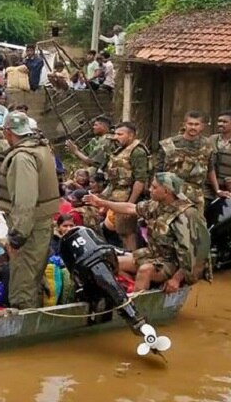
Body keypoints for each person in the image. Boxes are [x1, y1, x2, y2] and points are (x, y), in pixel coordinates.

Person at [85, 172, 209, 292]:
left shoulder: (187, 215)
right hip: (152, 255)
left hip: (173, 263)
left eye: (154, 187)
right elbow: (130, 207)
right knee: (110, 263)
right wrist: (102, 202)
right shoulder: (155, 205)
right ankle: (128, 291)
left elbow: (196, 254)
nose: (149, 189)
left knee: (145, 271)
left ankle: (138, 309)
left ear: (166, 191)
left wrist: (176, 279)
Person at [0, 112, 60, 309]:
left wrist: (17, 238)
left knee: (22, 283)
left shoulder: (23, 157)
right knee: (33, 276)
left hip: (29, 228)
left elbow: (25, 201)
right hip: (40, 223)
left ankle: (23, 327)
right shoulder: (40, 148)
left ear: (8, 133)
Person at [102, 122, 150, 250]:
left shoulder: (137, 152)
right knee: (121, 231)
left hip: (127, 198)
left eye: (120, 134)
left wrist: (130, 204)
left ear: (131, 135)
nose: (116, 137)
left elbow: (140, 180)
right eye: (115, 134)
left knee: (128, 233)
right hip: (117, 196)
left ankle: (132, 258)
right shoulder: (120, 150)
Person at [157, 111, 217, 211]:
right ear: (184, 124)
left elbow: (210, 168)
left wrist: (217, 190)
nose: (193, 127)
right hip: (171, 193)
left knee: (195, 224)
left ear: (202, 126)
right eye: (190, 124)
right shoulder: (169, 144)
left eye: (196, 124)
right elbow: (158, 170)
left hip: (195, 195)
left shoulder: (207, 145)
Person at [207, 111, 231, 201]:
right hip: (210, 188)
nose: (220, 124)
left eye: (224, 122)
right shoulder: (211, 139)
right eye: (219, 121)